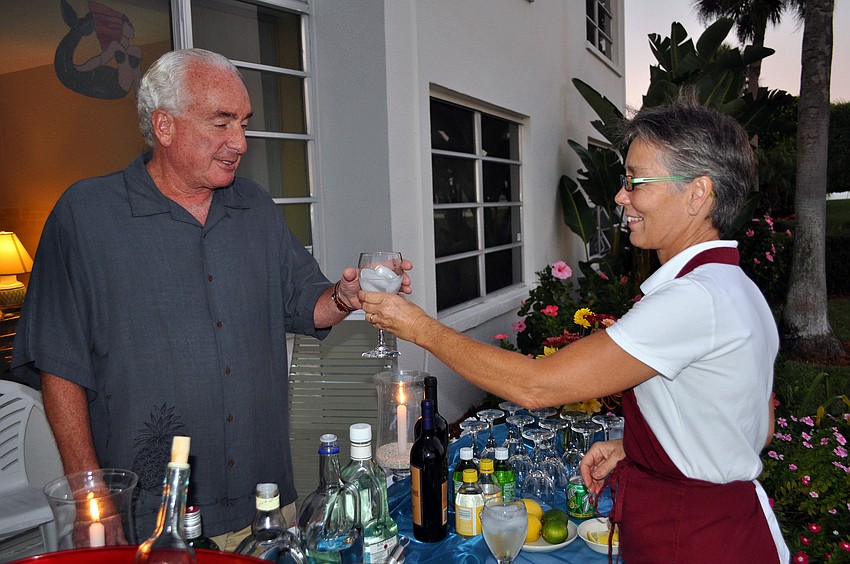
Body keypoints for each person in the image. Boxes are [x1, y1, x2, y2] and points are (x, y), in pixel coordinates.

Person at [360, 92, 789, 562]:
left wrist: (419, 327)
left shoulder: (693, 299)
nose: (621, 196)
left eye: (636, 181)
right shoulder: (736, 287)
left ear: (698, 193)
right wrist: (639, 449)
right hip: (726, 527)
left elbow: (535, 386)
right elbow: (756, 426)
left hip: (695, 540)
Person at [12, 48, 411, 549]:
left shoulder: (255, 207)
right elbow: (59, 366)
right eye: (221, 123)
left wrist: (345, 297)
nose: (240, 142)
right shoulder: (86, 217)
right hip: (149, 516)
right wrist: (91, 495)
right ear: (164, 126)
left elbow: (306, 304)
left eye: (243, 123)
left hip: (263, 500)